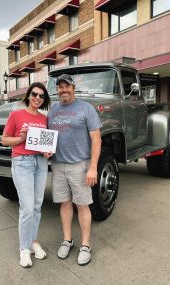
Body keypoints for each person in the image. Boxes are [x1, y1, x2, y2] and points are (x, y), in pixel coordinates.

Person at [48, 74, 102, 266]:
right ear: (57, 90)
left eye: (67, 86)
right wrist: (47, 151)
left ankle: (85, 245)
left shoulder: (86, 108)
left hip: (80, 165)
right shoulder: (53, 109)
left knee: (82, 205)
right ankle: (67, 240)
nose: (63, 90)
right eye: (60, 87)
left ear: (73, 87)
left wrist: (93, 167)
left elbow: (96, 139)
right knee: (64, 203)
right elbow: (50, 137)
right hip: (58, 164)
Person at [1, 82, 51, 268]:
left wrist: (47, 152)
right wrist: (21, 139)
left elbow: (45, 144)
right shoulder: (16, 115)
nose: (37, 98)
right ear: (28, 96)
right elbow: (5, 140)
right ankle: (24, 248)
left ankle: (33, 242)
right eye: (34, 94)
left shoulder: (44, 119)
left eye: (41, 96)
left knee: (37, 205)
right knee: (27, 207)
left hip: (41, 163)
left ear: (44, 99)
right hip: (22, 162)